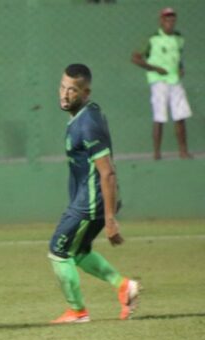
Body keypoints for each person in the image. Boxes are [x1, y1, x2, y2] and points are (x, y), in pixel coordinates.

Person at [49, 64, 139, 324]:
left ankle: (78, 312)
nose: (64, 94)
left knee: (58, 251)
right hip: (89, 199)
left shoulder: (87, 124)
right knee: (78, 252)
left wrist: (110, 219)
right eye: (62, 87)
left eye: (72, 90)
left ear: (85, 92)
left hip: (91, 203)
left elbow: (107, 172)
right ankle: (124, 287)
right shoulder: (85, 115)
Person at [131, 7, 192, 160]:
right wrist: (154, 69)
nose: (170, 22)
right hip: (158, 82)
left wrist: (181, 68)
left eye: (172, 19)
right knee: (159, 116)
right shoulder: (152, 39)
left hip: (175, 81)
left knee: (180, 116)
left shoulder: (179, 38)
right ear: (161, 21)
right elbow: (135, 58)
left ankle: (183, 152)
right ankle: (157, 153)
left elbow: (178, 57)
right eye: (166, 19)